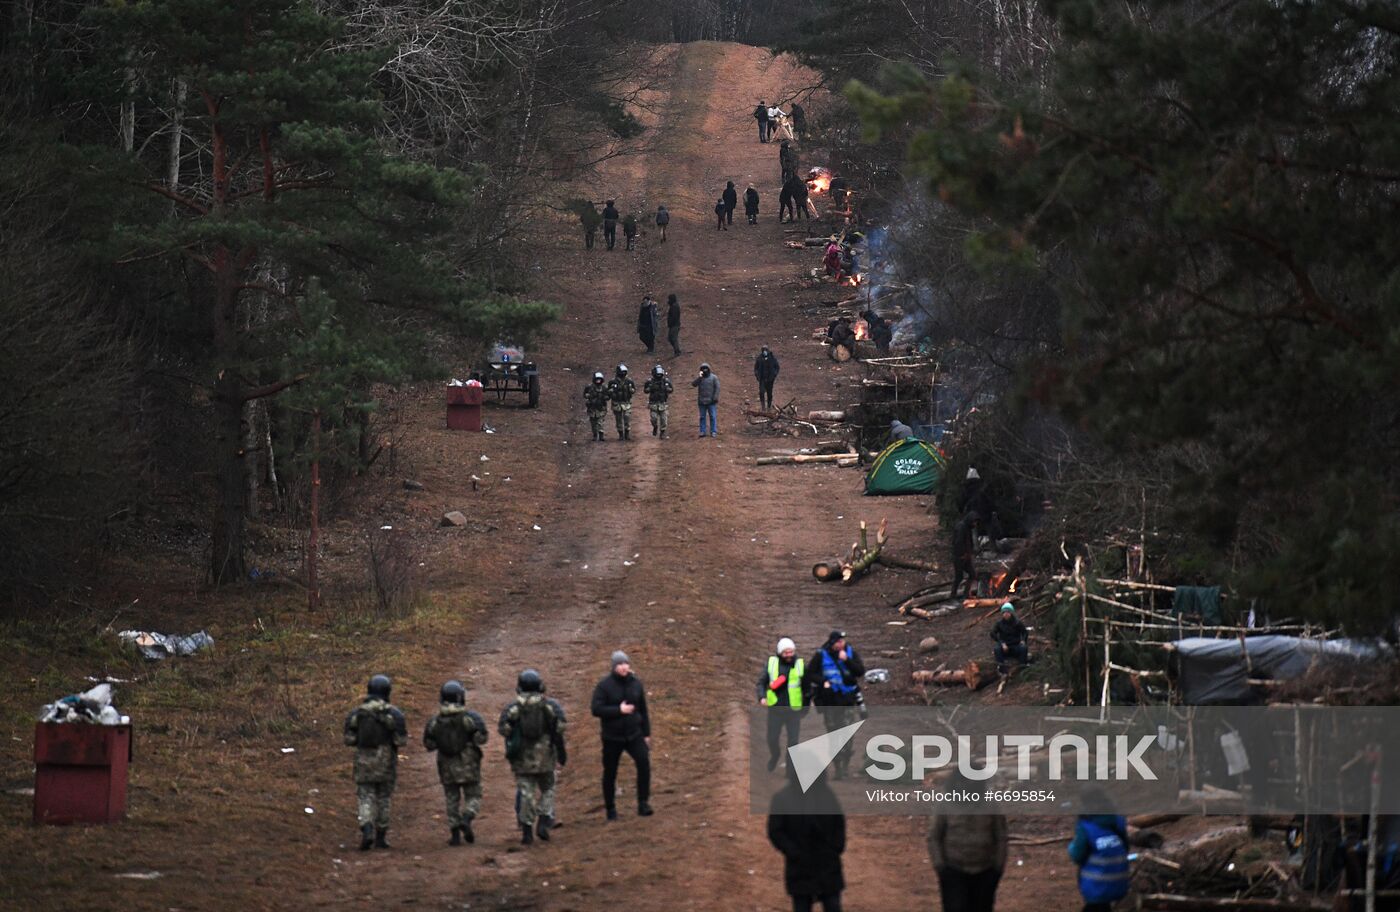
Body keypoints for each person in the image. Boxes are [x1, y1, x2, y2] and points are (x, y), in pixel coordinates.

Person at [498, 669, 566, 845]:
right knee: (548, 789)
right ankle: (544, 818)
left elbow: (503, 729)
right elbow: (560, 727)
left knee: (526, 793)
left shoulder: (513, 708)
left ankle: (527, 830)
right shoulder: (549, 706)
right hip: (546, 757)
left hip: (522, 758)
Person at [343, 674, 408, 851]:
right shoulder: (394, 714)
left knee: (365, 796)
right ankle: (381, 836)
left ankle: (367, 827)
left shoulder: (357, 714)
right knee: (384, 798)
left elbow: (348, 739)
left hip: (363, 760)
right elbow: (401, 741)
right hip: (386, 761)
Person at [768, 766, 846, 912]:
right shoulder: (783, 798)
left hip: (828, 865)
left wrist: (836, 847)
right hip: (800, 867)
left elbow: (839, 823)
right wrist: (793, 852)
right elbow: (775, 831)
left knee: (833, 906)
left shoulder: (827, 796)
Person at [927, 774, 1008, 912]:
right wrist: (941, 866)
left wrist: (998, 867)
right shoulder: (946, 804)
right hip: (953, 870)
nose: (969, 784)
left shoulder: (991, 804)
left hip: (985, 870)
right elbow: (934, 837)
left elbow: (1001, 837)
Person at [423, 679, 488, 846]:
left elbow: (429, 745)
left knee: (451, 798)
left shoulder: (435, 721)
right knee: (473, 795)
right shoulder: (469, 719)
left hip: (446, 765)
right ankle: (467, 817)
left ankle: (455, 835)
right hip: (468, 763)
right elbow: (482, 739)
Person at [591, 650, 652, 820]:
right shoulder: (604, 686)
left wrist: (646, 734)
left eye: (625, 663)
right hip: (612, 737)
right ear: (613, 667)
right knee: (610, 772)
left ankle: (643, 803)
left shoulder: (636, 684)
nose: (624, 667)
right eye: (620, 664)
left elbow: (644, 710)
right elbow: (596, 709)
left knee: (644, 763)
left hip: (634, 734)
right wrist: (619, 710)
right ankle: (610, 809)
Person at [805, 631, 865, 779]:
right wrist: (822, 682)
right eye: (838, 641)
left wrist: (847, 661)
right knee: (833, 735)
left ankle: (844, 767)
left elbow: (860, 671)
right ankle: (838, 768)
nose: (841, 644)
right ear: (832, 643)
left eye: (842, 641)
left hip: (848, 701)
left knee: (847, 734)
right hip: (830, 702)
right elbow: (809, 673)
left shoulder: (850, 653)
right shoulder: (821, 655)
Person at [1068, 800, 1131, 912]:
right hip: (1120, 883)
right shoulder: (1118, 821)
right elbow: (1126, 848)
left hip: (1096, 887)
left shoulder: (1087, 827)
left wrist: (1071, 847)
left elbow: (1076, 856)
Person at [757, 636, 806, 772]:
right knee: (772, 739)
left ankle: (790, 769)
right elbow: (761, 682)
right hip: (775, 710)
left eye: (791, 652)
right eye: (786, 653)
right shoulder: (771, 664)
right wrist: (761, 697)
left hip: (793, 710)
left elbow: (807, 685)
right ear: (780, 653)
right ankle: (775, 755)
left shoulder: (800, 664)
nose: (789, 655)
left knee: (793, 742)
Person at [991, 603, 1029, 674]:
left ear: (1011, 613)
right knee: (997, 649)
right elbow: (992, 633)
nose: (1006, 614)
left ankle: (1022, 667)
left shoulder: (1017, 623)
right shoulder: (999, 624)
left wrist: (1023, 640)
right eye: (1004, 612)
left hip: (1015, 645)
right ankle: (1002, 669)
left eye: (1008, 612)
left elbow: (1025, 632)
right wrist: (1001, 643)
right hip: (1004, 647)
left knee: (1023, 648)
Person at [951, 511, 979, 599]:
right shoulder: (961, 527)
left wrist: (970, 552)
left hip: (966, 556)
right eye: (974, 522)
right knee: (959, 577)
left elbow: (969, 542)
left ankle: (966, 594)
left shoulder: (967, 528)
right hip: (959, 556)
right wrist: (961, 554)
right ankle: (953, 595)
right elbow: (958, 542)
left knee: (972, 574)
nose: (975, 524)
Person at [607, 363, 635, 441]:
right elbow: (608, 392)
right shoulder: (613, 382)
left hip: (626, 402)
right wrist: (611, 391)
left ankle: (627, 434)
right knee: (618, 419)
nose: (623, 373)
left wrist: (631, 390)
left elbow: (633, 390)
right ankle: (621, 434)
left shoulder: (629, 381)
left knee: (627, 417)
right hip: (617, 403)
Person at [644, 365, 673, 438]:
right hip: (653, 403)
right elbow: (645, 390)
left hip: (663, 403)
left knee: (664, 419)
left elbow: (671, 389)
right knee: (654, 418)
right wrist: (650, 388)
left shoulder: (665, 381)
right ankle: (655, 427)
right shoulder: (650, 381)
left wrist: (667, 389)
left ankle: (662, 432)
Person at [692, 362, 720, 438]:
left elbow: (717, 388)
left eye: (706, 368)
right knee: (702, 417)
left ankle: (713, 431)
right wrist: (699, 377)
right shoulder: (700, 378)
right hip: (701, 401)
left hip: (711, 401)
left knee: (713, 416)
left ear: (709, 369)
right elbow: (693, 384)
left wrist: (715, 398)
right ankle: (702, 431)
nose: (705, 370)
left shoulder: (714, 377)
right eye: (703, 369)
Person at [584, 371, 610, 442]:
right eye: (597, 379)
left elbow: (608, 396)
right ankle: (595, 435)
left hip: (601, 408)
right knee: (593, 423)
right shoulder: (589, 387)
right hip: (592, 408)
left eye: (599, 379)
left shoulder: (604, 388)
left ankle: (601, 435)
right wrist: (589, 397)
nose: (598, 381)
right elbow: (585, 395)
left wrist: (604, 397)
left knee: (600, 422)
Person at [754, 345, 780, 410]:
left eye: (765, 350)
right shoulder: (759, 359)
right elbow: (756, 368)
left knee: (769, 393)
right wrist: (757, 375)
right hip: (762, 379)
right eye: (763, 350)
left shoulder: (772, 358)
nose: (764, 352)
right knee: (761, 392)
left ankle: (769, 406)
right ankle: (763, 406)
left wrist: (774, 374)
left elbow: (777, 367)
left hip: (770, 379)